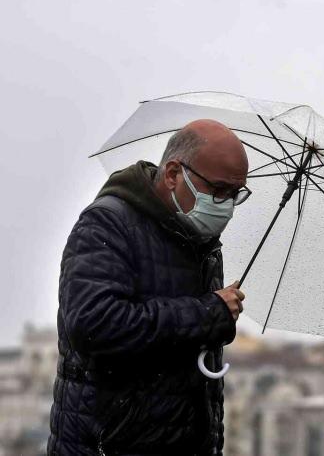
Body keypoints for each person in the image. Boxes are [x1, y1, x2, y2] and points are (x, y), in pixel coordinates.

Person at [47, 119, 250, 455]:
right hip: (109, 444)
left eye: (235, 194)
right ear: (173, 174)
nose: (226, 206)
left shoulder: (202, 241)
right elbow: (94, 325)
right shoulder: (108, 224)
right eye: (218, 190)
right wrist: (208, 313)